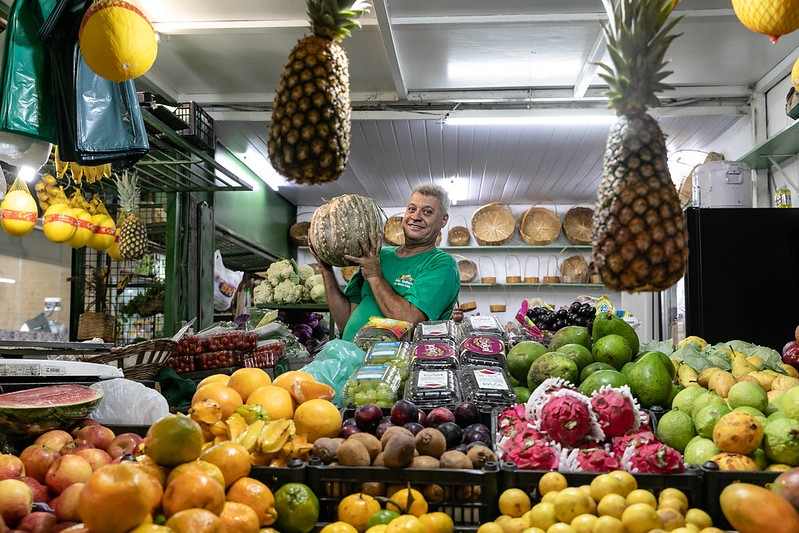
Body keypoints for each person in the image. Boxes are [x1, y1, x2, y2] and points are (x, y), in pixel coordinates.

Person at [311, 183, 460, 342]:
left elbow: (410, 322)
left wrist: (374, 274)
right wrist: (325, 269)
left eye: (427, 212)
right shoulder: (377, 256)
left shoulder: (442, 264)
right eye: (411, 209)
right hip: (350, 357)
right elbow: (345, 321)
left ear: (443, 220)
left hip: (392, 364)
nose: (416, 217)